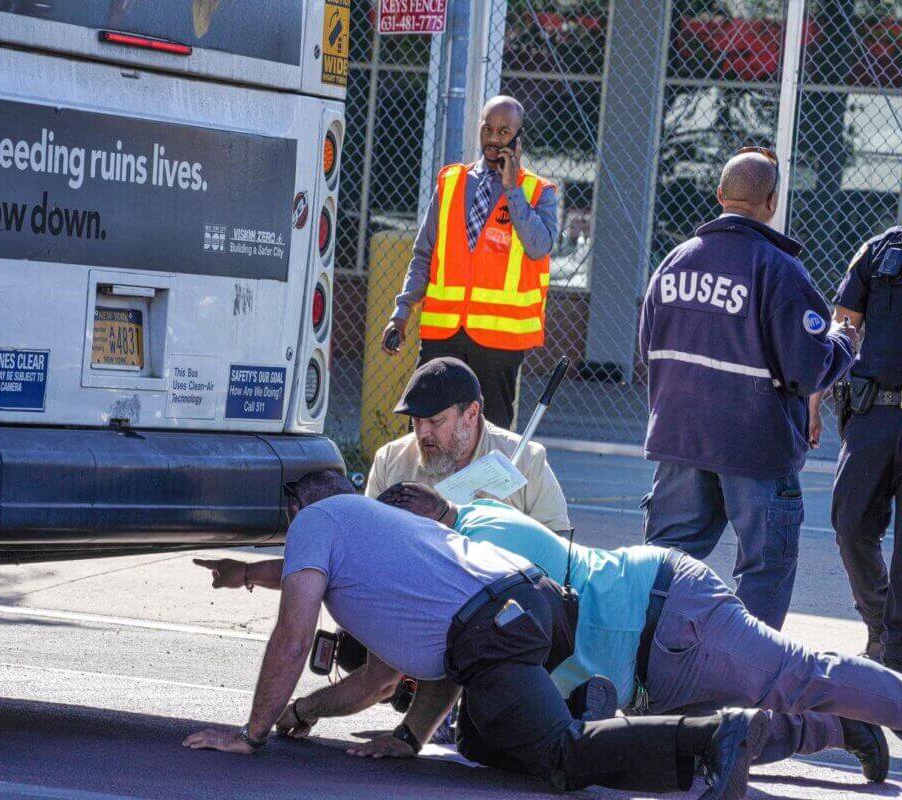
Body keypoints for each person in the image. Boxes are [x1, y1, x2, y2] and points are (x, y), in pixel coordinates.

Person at [184, 472, 771, 799]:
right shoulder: (374, 541)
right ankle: (687, 757)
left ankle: (712, 737)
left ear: (298, 516)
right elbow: (384, 677)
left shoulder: (315, 521)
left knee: (560, 755)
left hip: (496, 629)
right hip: (526, 608)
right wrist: (388, 733)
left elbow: (293, 635)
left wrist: (252, 733)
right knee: (486, 742)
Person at [375, 482, 893, 783]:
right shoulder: (475, 515)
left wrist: (401, 726)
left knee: (799, 676)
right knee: (722, 739)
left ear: (421, 532)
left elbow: (462, 653)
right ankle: (843, 728)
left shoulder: (474, 550)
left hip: (666, 607)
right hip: (644, 667)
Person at [638, 147, 857, 629]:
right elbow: (808, 370)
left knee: (663, 565)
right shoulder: (780, 270)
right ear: (772, 201)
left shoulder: (672, 264)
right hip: (755, 448)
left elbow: (647, 349)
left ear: (720, 196)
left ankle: (643, 665)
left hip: (679, 439)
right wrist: (843, 339)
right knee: (764, 568)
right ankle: (747, 677)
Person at [380, 96, 558, 430]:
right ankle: (421, 486)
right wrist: (401, 313)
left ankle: (483, 487)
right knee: (424, 428)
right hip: (443, 334)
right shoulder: (451, 183)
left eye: (504, 131)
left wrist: (511, 188)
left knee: (488, 438)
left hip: (498, 343)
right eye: (488, 128)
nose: (494, 137)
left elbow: (538, 247)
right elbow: (424, 255)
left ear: (519, 139)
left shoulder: (538, 192)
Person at [817, 225, 902, 667]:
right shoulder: (881, 250)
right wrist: (814, 398)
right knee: (850, 523)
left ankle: (895, 651)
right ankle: (879, 624)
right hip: (875, 414)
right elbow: (844, 325)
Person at [364, 356, 571, 532]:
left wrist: (511, 530)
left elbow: (558, 542)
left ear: (471, 414)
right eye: (416, 420)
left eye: (436, 421)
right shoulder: (389, 459)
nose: (423, 432)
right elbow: (367, 534)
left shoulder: (526, 460)